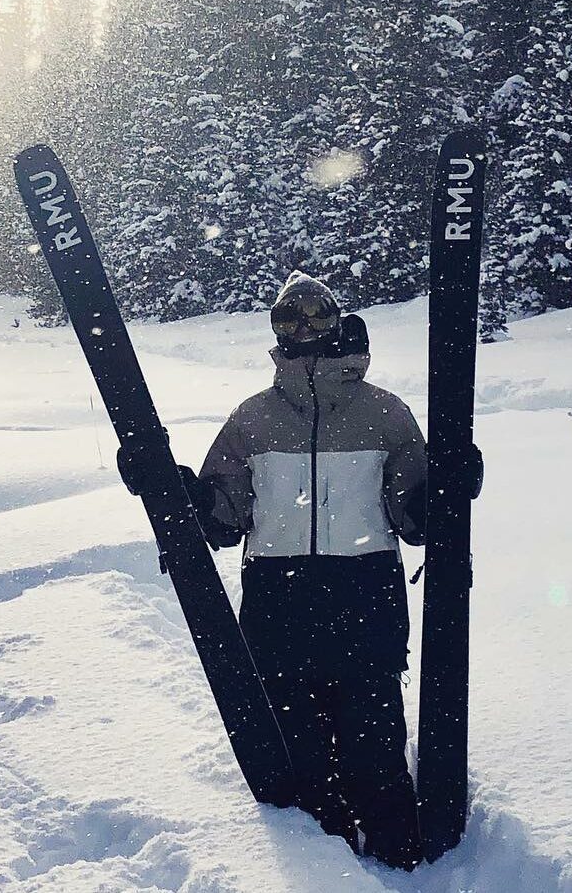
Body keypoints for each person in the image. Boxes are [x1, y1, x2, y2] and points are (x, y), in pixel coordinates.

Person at [119, 273, 476, 869]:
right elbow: (224, 519)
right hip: (277, 606)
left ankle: (398, 865)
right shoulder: (252, 419)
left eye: (316, 316)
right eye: (289, 319)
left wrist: (447, 492)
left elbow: (415, 520)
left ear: (338, 321)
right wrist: (173, 491)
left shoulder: (385, 413)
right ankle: (325, 872)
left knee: (375, 755)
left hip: (365, 601)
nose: (304, 329)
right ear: (276, 330)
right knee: (300, 761)